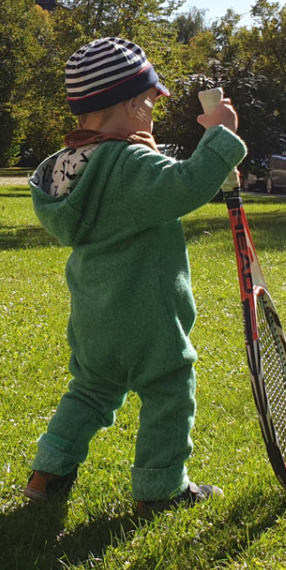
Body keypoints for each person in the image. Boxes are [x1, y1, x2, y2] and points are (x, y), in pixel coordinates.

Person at [24, 36, 245, 518]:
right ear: (128, 103)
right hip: (147, 316)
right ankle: (160, 488)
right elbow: (185, 186)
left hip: (95, 316)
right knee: (169, 391)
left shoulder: (66, 167)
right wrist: (222, 138)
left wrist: (212, 154)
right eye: (149, 100)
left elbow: (165, 180)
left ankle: (48, 472)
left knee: (89, 391)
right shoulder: (128, 164)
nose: (153, 109)